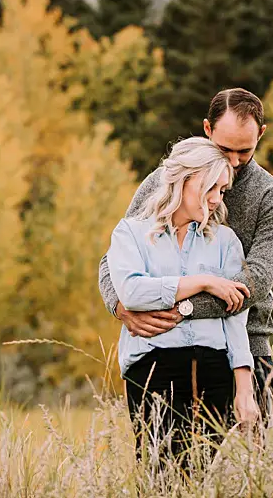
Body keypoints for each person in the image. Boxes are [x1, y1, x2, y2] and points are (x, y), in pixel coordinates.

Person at [99, 87, 273, 408]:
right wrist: (122, 308)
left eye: (244, 151)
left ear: (261, 134)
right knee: (169, 455)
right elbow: (116, 256)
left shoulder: (272, 198)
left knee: (255, 454)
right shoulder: (167, 180)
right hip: (164, 346)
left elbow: (253, 284)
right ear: (207, 129)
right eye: (224, 149)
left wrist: (180, 311)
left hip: (246, 346)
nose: (233, 162)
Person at [106, 136, 259, 465]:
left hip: (213, 368)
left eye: (222, 190)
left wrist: (244, 389)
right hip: (151, 366)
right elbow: (132, 292)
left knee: (200, 476)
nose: (217, 199)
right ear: (186, 180)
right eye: (211, 188)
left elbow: (235, 317)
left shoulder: (225, 242)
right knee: (159, 473)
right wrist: (204, 282)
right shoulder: (130, 233)